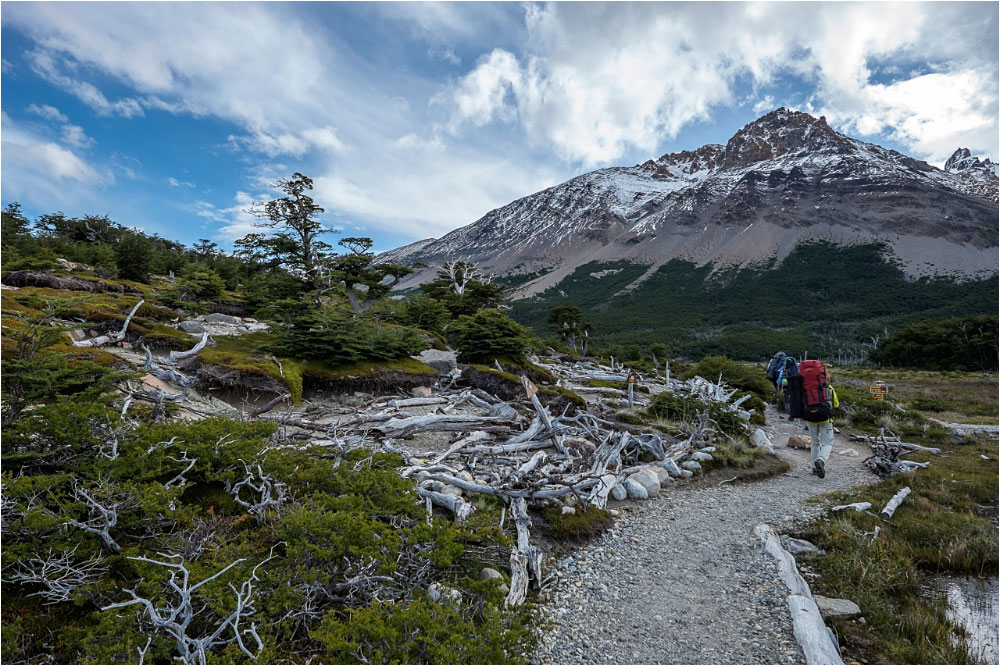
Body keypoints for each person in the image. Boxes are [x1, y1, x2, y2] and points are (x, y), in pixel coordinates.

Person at [805, 370, 839, 479]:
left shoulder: (806, 388)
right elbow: (836, 404)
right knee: (827, 443)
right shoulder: (829, 388)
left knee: (815, 442)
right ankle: (821, 460)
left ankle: (814, 468)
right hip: (825, 419)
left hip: (810, 419)